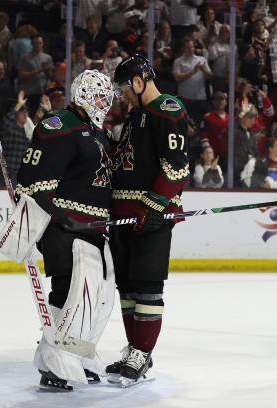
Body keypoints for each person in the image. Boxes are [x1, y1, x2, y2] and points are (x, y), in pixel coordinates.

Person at [15, 69, 117, 391]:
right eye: (98, 95)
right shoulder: (58, 125)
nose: (105, 101)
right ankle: (52, 362)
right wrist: (60, 218)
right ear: (83, 95)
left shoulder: (97, 132)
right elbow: (33, 182)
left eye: (106, 95)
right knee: (70, 291)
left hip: (94, 229)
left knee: (98, 297)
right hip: (65, 229)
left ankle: (76, 353)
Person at [107, 55, 190, 384]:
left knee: (147, 286)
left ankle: (143, 352)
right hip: (123, 217)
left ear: (141, 81)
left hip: (149, 216)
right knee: (126, 287)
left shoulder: (166, 109)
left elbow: (177, 167)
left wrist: (154, 206)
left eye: (126, 88)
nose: (123, 95)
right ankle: (134, 348)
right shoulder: (135, 115)